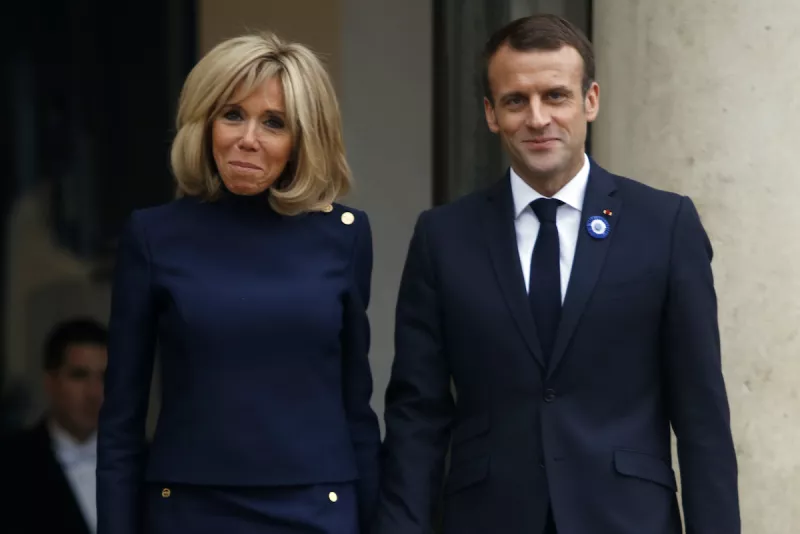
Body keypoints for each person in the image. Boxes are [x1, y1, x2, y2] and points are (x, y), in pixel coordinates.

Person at [374, 14, 739, 534]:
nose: (538, 118)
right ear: (490, 113)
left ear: (590, 100)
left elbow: (702, 414)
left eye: (556, 96)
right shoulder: (443, 238)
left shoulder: (664, 224)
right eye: (516, 100)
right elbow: (418, 416)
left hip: (627, 519)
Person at [97, 32, 380, 534]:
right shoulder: (152, 236)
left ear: (302, 140)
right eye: (232, 115)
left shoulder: (345, 236)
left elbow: (356, 407)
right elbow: (121, 419)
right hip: (188, 510)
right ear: (205, 124)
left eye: (274, 123)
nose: (248, 137)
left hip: (316, 509)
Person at [1, 318, 108, 534]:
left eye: (106, 377)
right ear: (50, 382)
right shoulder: (9, 464)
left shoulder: (146, 462)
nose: (95, 393)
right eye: (79, 375)